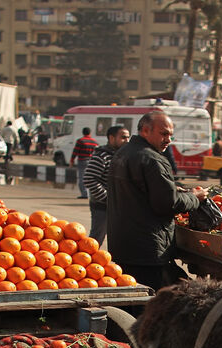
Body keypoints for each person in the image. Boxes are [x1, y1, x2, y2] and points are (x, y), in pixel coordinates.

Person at [107, 110, 207, 289]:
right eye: (164, 133)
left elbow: (138, 190)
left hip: (122, 244)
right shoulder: (152, 159)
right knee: (150, 303)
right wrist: (195, 197)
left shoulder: (123, 153)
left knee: (131, 298)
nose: (168, 139)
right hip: (146, 248)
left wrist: (172, 188)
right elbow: (168, 203)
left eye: (170, 135)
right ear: (145, 130)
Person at [84, 124, 129, 245]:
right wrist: (107, 198)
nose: (127, 141)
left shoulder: (122, 156)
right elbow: (89, 179)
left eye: (128, 137)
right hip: (102, 207)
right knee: (96, 239)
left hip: (119, 207)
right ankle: (86, 261)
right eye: (123, 137)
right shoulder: (101, 156)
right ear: (111, 138)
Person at [72, 126, 98, 199]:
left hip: (82, 161)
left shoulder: (80, 141)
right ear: (90, 133)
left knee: (82, 178)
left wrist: (72, 160)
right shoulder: (94, 142)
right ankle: (91, 194)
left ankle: (84, 194)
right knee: (90, 178)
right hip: (92, 161)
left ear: (83, 132)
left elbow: (75, 151)